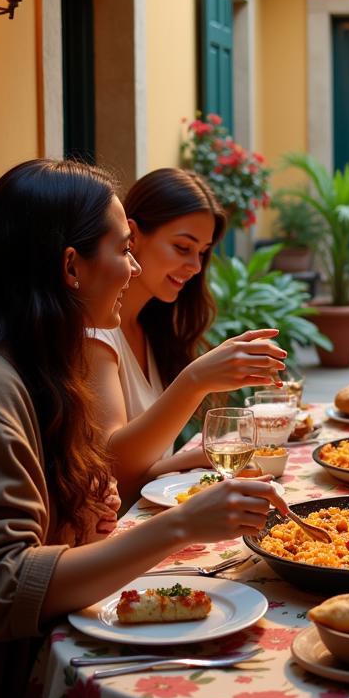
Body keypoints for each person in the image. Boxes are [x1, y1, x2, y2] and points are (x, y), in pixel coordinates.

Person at [0, 160, 286, 698]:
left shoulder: (22, 365)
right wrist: (181, 525)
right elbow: (0, 586)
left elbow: (13, 540)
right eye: (124, 249)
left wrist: (74, 522)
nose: (136, 269)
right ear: (71, 266)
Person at [84, 168, 286, 499]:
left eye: (203, 252)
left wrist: (198, 456)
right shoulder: (96, 334)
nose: (195, 265)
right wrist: (196, 381)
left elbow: (139, 472)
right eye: (182, 247)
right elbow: (112, 470)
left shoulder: (152, 327)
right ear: (131, 237)